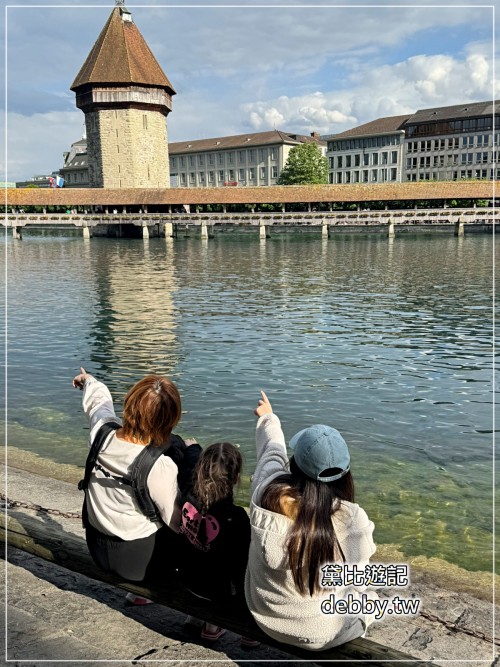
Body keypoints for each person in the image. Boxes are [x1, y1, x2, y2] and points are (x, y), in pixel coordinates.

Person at [245, 390, 379, 651]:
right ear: (345, 475)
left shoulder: (265, 492)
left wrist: (268, 417)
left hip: (266, 617)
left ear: (294, 466)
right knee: (370, 598)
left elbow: (272, 452)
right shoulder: (352, 518)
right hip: (325, 634)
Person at [72, 367, 200, 587]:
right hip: (138, 564)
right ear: (170, 419)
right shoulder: (159, 467)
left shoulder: (101, 433)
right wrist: (192, 457)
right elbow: (176, 522)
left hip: (98, 548)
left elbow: (98, 405)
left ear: (128, 405)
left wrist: (89, 380)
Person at [175, 442, 254, 644]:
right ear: (236, 478)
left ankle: (197, 617)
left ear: (199, 471)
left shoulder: (187, 498)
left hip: (188, 582)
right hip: (217, 593)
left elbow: (189, 464)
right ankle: (212, 625)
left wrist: (193, 447)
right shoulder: (237, 518)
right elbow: (241, 569)